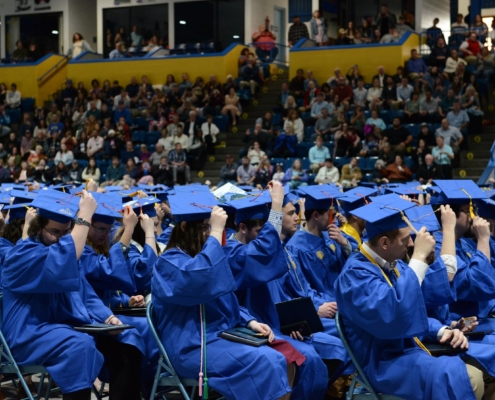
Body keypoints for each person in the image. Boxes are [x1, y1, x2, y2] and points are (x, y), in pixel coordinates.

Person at [335, 196, 495, 400]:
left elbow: (413, 311)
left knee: (490, 362)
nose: (410, 243)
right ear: (384, 242)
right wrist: (418, 258)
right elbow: (393, 316)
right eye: (405, 239)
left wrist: (442, 330)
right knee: (469, 378)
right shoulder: (355, 276)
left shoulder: (391, 264)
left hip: (409, 348)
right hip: (384, 363)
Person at [152, 191, 297, 400]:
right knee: (266, 361)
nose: (209, 233)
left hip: (220, 336)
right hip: (191, 347)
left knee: (283, 356)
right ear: (184, 228)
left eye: (210, 227)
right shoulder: (168, 263)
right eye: (204, 228)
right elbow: (199, 279)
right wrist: (217, 231)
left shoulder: (206, 255)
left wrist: (249, 321)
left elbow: (225, 299)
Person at [3, 190, 143, 400]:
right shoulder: (22, 255)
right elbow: (61, 261)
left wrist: (108, 318)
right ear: (38, 228)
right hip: (29, 333)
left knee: (128, 341)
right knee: (80, 345)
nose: (61, 239)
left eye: (65, 233)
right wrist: (84, 216)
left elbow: (85, 294)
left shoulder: (64, 252)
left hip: (63, 327)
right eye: (55, 232)